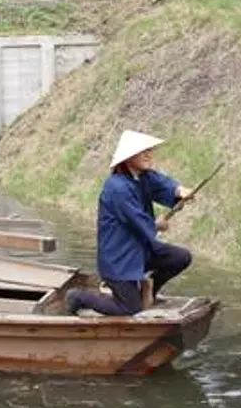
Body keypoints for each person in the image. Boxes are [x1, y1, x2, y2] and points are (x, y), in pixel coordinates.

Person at [66, 130, 194, 316]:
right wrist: (156, 224)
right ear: (128, 157)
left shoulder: (143, 176)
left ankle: (148, 290)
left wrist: (180, 191)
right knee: (128, 308)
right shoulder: (116, 187)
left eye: (149, 150)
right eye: (143, 152)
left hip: (141, 250)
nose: (148, 155)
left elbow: (163, 184)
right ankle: (79, 296)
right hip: (119, 259)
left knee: (181, 257)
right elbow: (137, 220)